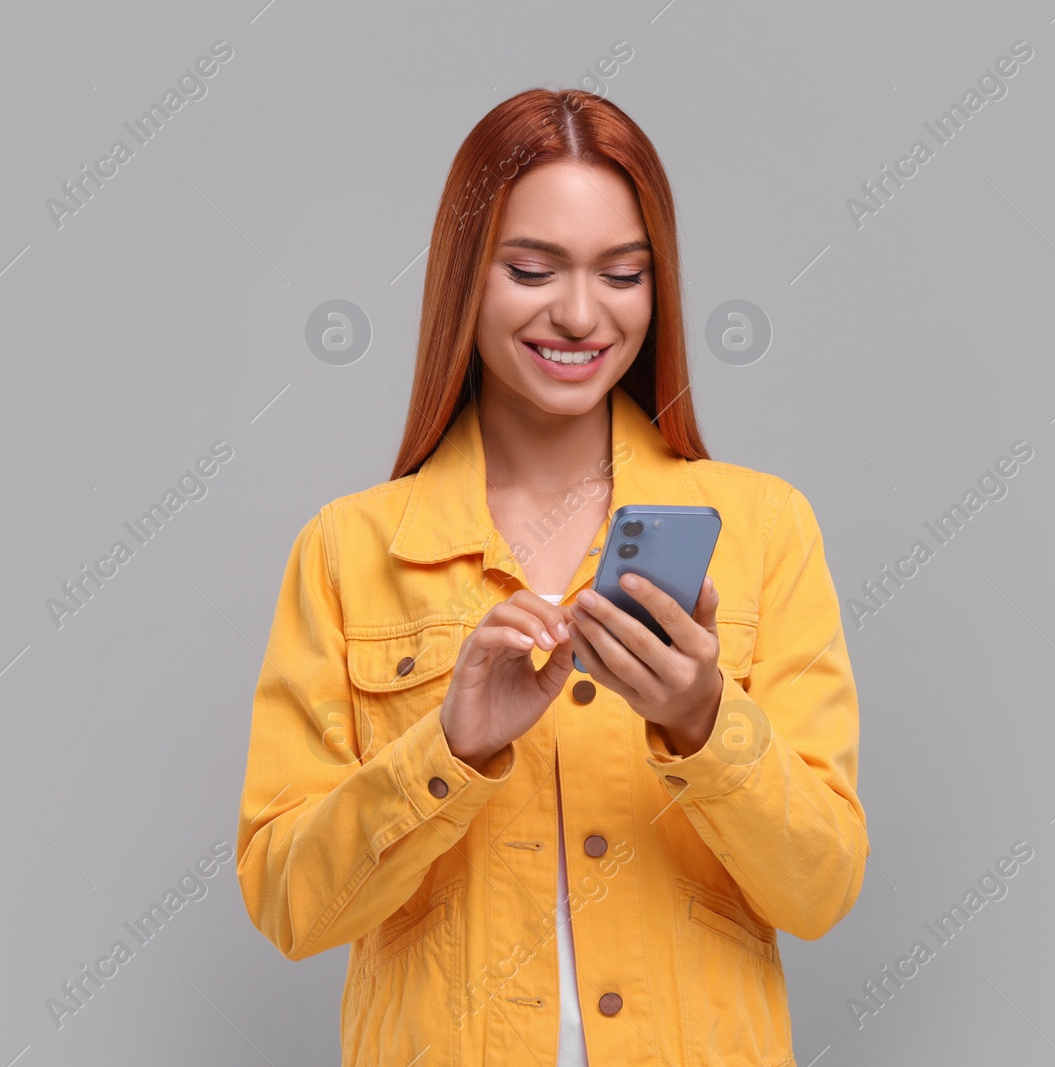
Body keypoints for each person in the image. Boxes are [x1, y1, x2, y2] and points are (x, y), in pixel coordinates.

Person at [236, 87, 868, 1067]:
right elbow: (288, 903)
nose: (579, 312)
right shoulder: (348, 550)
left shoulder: (764, 529)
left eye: (623, 273)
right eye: (532, 268)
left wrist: (702, 717)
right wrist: (447, 747)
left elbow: (819, 886)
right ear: (463, 279)